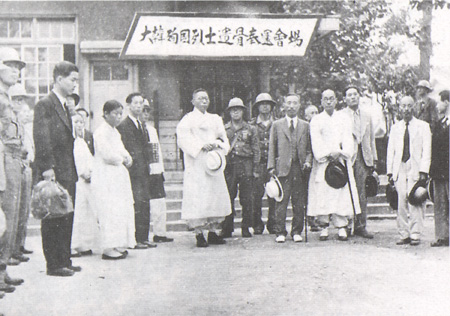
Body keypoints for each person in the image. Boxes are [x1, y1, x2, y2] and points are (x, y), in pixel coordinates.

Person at [33, 61, 81, 277]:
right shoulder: (45, 104)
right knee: (54, 216)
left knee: (67, 215)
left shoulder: (64, 105)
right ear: (59, 79)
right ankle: (53, 263)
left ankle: (65, 258)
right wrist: (47, 168)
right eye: (72, 80)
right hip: (54, 170)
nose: (75, 85)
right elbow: (42, 138)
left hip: (68, 169)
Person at [176, 89, 231, 247]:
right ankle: (199, 234)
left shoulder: (215, 119)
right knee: (198, 197)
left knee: (214, 196)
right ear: (193, 101)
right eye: (200, 99)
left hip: (213, 163)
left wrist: (218, 145)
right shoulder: (187, 119)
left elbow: (223, 137)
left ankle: (213, 232)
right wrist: (200, 146)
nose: (204, 101)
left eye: (206, 98)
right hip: (197, 163)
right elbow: (183, 139)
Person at [308, 89, 361, 241]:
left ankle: (341, 226)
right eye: (326, 99)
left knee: (340, 194)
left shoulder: (344, 118)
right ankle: (324, 227)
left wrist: (340, 152)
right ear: (321, 102)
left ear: (336, 100)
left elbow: (347, 138)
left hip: (340, 161)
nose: (329, 101)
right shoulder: (316, 120)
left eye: (332, 98)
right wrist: (327, 154)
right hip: (324, 162)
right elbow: (316, 141)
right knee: (323, 193)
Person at [91, 100, 135, 259]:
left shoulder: (115, 132)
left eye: (120, 114)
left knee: (119, 210)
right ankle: (108, 248)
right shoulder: (100, 132)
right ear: (106, 114)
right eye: (115, 113)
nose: (118, 117)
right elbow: (107, 154)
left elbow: (121, 149)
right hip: (106, 176)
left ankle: (117, 243)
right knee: (109, 210)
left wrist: (127, 157)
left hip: (117, 176)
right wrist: (121, 159)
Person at [387, 96, 431, 246]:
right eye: (403, 106)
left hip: (416, 167)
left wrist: (424, 171)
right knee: (401, 202)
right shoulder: (395, 128)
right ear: (400, 108)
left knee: (416, 201)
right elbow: (391, 151)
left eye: (409, 106)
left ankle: (415, 233)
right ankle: (403, 233)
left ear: (414, 107)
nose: (406, 109)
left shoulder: (423, 126)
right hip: (400, 168)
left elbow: (427, 150)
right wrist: (390, 172)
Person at [267, 94, 312, 243]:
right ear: (284, 106)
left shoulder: (305, 126)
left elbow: (309, 149)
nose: (291, 106)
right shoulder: (277, 125)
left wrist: (307, 161)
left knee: (299, 201)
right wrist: (271, 166)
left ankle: (296, 231)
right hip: (283, 167)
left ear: (299, 106)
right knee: (281, 200)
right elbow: (272, 147)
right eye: (289, 103)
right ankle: (280, 231)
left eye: (295, 103)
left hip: (299, 168)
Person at [0, 47, 27, 292]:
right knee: (4, 218)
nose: (16, 71)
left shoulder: (7, 97)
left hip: (14, 157)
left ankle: (3, 269)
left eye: (19, 67)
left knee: (13, 216)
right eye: (11, 65)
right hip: (3, 158)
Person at [117, 93, 156, 249]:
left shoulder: (142, 124)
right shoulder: (124, 125)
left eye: (141, 103)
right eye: (136, 103)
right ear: (129, 105)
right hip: (133, 171)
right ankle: (136, 239)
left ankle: (144, 237)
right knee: (137, 203)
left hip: (144, 170)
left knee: (145, 203)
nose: (139, 106)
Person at [221, 98, 260, 238]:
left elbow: (256, 149)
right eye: (233, 109)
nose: (236, 111)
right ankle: (227, 227)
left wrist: (255, 169)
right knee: (228, 196)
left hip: (246, 165)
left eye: (238, 109)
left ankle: (245, 227)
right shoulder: (224, 129)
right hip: (230, 166)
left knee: (247, 198)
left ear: (243, 111)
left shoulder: (251, 129)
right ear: (229, 112)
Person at [341, 86, 376, 239]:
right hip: (348, 156)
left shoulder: (367, 115)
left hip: (363, 157)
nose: (353, 97)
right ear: (345, 99)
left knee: (362, 192)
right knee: (347, 192)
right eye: (349, 95)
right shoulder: (340, 116)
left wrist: (374, 158)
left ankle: (361, 226)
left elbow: (371, 138)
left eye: (355, 94)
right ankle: (346, 225)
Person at [141, 99, 173, 243]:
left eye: (148, 111)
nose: (146, 114)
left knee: (159, 203)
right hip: (143, 173)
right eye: (143, 110)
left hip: (155, 172)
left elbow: (157, 152)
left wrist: (160, 170)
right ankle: (142, 236)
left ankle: (159, 233)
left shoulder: (152, 130)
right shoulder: (134, 129)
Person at [8, 84, 34, 258]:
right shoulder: (8, 122)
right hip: (14, 166)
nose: (19, 103)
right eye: (16, 99)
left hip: (25, 166)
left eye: (22, 100)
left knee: (23, 209)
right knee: (13, 212)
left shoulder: (22, 126)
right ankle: (10, 252)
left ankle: (18, 247)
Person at [71, 111, 99, 257]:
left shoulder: (82, 141)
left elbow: (89, 159)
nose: (80, 125)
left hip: (88, 181)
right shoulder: (71, 142)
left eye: (81, 122)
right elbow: (74, 161)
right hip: (78, 181)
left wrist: (91, 172)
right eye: (76, 122)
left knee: (88, 213)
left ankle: (85, 244)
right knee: (78, 213)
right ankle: (73, 244)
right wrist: (82, 172)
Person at [250, 93, 276, 234]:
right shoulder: (252, 125)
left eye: (268, 103)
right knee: (256, 195)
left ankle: (273, 223)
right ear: (257, 107)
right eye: (262, 104)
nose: (265, 106)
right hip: (258, 165)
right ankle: (257, 224)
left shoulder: (277, 123)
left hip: (272, 164)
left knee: (274, 194)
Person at [429, 90, 449, 247]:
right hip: (438, 170)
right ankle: (442, 236)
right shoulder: (438, 123)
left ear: (447, 103)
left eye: (440, 101)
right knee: (440, 203)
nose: (437, 105)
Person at [303, 104, 320, 232]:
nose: (314, 115)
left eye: (316, 112)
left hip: (319, 163)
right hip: (307, 164)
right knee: (307, 192)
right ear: (306, 116)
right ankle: (310, 219)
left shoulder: (319, 126)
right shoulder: (304, 128)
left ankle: (318, 219)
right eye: (311, 113)